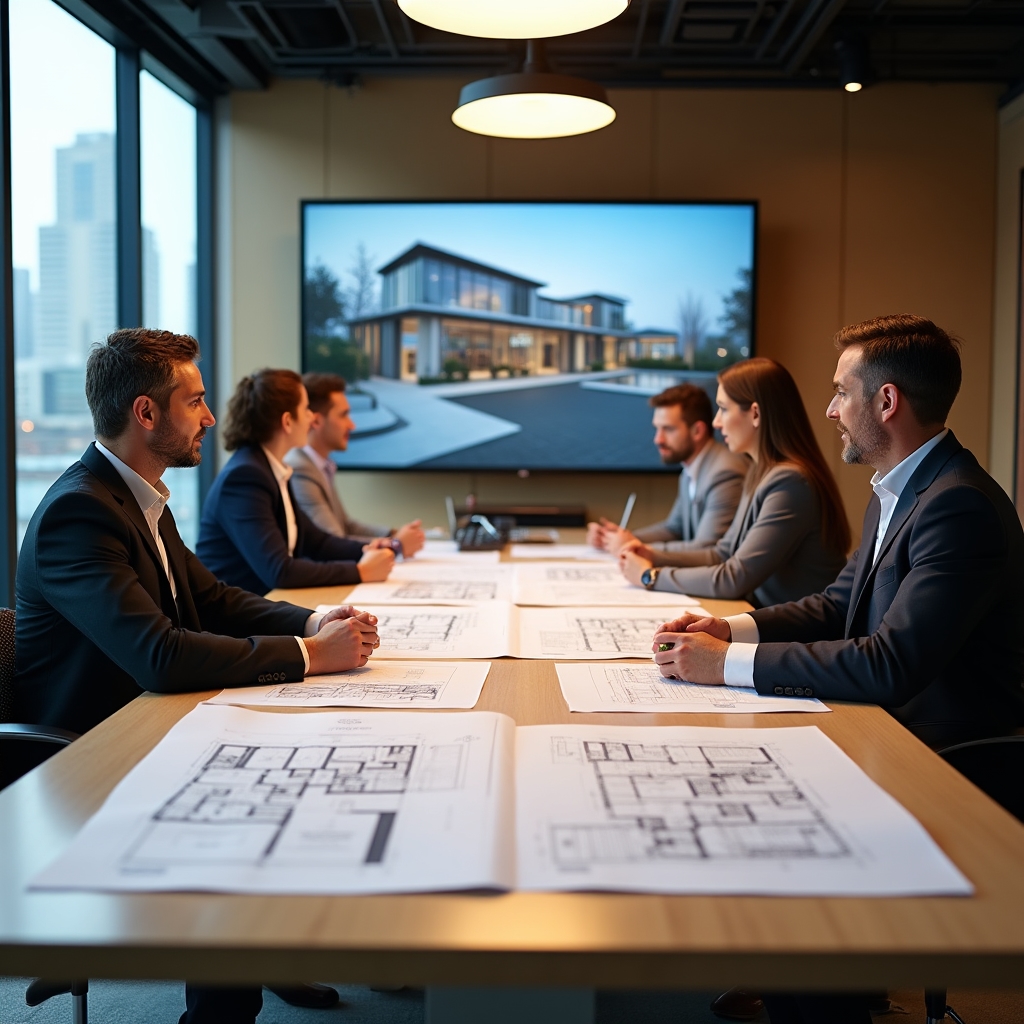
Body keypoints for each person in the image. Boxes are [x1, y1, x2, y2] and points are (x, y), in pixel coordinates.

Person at [14, 328, 380, 1024]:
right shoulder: (78, 512)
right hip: (90, 755)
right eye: (196, 400)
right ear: (146, 414)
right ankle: (221, 1007)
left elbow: (209, 598)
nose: (211, 418)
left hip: (157, 721)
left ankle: (260, 951)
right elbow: (159, 655)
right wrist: (311, 657)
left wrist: (307, 623)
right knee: (263, 792)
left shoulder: (139, 495)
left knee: (313, 748)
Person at [651, 315, 1024, 753]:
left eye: (842, 392)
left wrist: (724, 662)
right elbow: (837, 605)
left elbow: (890, 664)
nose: (831, 409)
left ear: (887, 402)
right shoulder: (897, 488)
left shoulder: (959, 506)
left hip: (941, 755)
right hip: (880, 726)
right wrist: (728, 630)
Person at [619, 358, 850, 607]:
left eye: (724, 409)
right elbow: (722, 553)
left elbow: (733, 578)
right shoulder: (761, 472)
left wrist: (650, 576)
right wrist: (652, 555)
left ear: (755, 414)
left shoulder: (790, 482)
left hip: (798, 637)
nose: (716, 422)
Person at [197, 369, 396, 594]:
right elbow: (279, 570)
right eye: (305, 410)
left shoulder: (271, 468)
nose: (312, 418)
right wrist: (360, 571)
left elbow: (315, 541)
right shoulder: (245, 477)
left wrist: (366, 549)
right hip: (231, 622)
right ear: (288, 421)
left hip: (265, 606)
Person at [587, 383, 748, 555]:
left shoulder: (724, 472)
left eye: (668, 429)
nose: (658, 439)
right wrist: (618, 538)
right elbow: (674, 529)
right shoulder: (691, 469)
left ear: (697, 431)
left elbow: (708, 549)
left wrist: (632, 546)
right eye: (657, 429)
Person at [285, 372, 425, 555]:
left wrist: (393, 533)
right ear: (317, 420)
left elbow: (346, 525)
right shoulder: (300, 468)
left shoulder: (320, 464)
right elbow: (333, 540)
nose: (352, 425)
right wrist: (395, 545)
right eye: (343, 415)